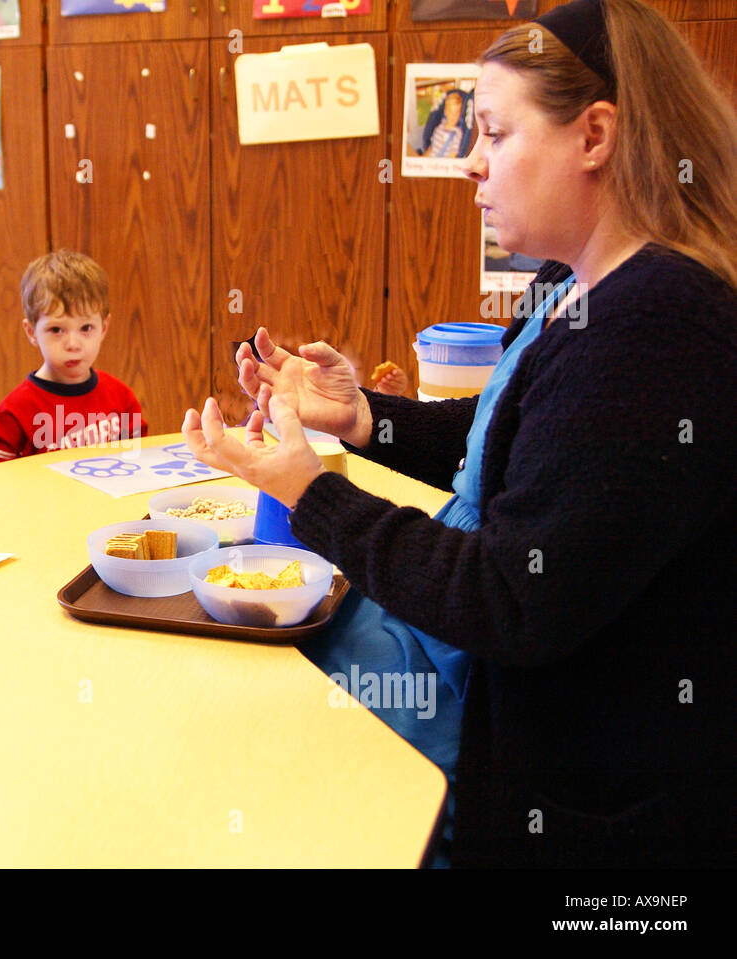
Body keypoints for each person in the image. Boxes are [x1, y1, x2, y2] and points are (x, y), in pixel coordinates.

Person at [182, 0, 737, 867]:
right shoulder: (580, 285)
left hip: (581, 799)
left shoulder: (654, 326)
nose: (471, 163)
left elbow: (508, 599)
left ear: (595, 136)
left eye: (494, 133)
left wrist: (312, 492)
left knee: (241, 708)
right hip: (517, 693)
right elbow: (524, 454)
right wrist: (362, 415)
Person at [0, 251, 147, 467]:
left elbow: (139, 467)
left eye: (86, 328)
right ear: (31, 332)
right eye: (56, 329)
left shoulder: (122, 399)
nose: (73, 344)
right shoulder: (13, 415)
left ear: (103, 328)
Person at [419, 89, 473, 159]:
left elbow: (452, 157)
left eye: (456, 113)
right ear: (445, 112)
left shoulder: (457, 134)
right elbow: (431, 148)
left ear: (460, 115)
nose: (453, 116)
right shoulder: (438, 128)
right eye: (450, 112)